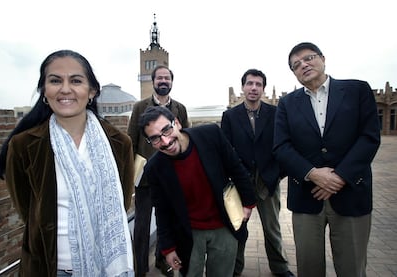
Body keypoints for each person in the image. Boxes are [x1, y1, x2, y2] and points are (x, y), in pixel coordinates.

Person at [0, 50, 135, 277]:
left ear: (92, 92)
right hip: (49, 268)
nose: (65, 89)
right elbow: (29, 211)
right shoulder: (24, 146)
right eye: (55, 80)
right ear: (44, 92)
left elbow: (122, 202)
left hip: (107, 268)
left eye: (76, 80)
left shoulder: (119, 144)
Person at [273, 42, 381, 277]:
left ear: (322, 58)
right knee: (309, 268)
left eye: (308, 58)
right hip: (306, 197)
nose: (303, 65)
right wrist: (313, 173)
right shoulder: (287, 104)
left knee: (352, 267)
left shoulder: (357, 90)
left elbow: (369, 138)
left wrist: (341, 176)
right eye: (296, 65)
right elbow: (281, 147)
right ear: (294, 73)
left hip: (352, 193)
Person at [138, 106, 257, 277]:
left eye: (166, 130)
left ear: (177, 123)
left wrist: (248, 204)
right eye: (155, 139)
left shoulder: (210, 135)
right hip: (187, 233)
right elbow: (162, 211)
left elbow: (236, 169)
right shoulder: (154, 168)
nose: (165, 141)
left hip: (224, 225)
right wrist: (168, 249)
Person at [221, 69, 295, 277]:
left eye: (258, 84)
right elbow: (226, 150)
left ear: (263, 88)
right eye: (250, 83)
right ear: (243, 87)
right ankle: (235, 270)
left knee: (272, 228)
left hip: (268, 180)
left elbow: (284, 145)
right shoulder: (230, 116)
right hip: (240, 181)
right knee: (238, 227)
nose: (254, 88)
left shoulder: (275, 113)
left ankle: (280, 267)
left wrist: (277, 174)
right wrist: (235, 176)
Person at [127, 65, 189, 277]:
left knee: (169, 223)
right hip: (145, 179)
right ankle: (140, 268)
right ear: (153, 81)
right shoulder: (139, 107)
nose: (163, 81)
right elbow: (130, 142)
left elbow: (186, 140)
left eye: (167, 78)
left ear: (172, 82)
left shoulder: (180, 108)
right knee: (141, 226)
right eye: (160, 78)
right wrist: (131, 176)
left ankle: (163, 262)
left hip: (171, 178)